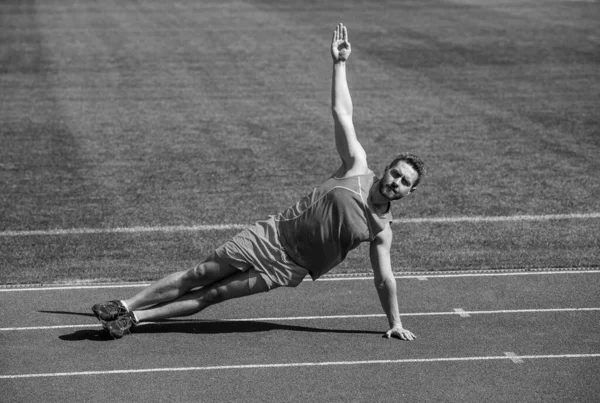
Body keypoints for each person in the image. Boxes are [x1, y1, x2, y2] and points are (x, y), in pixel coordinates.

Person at [92, 23, 425, 341]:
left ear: (409, 193)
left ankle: (134, 319)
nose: (396, 182)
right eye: (396, 173)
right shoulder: (356, 167)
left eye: (405, 182)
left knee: (215, 294)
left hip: (288, 267)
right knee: (201, 274)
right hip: (271, 235)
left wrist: (394, 322)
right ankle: (125, 304)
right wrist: (339, 65)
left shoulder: (381, 230)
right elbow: (342, 114)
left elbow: (384, 279)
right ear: (386, 169)